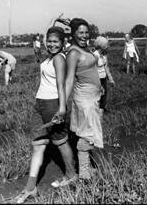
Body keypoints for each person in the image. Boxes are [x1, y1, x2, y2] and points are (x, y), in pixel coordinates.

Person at [13, 26, 77, 204]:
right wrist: (56, 21)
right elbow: (50, 29)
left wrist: (62, 108)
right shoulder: (49, 58)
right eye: (49, 41)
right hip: (39, 104)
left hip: (52, 104)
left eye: (56, 41)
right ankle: (30, 187)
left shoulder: (58, 59)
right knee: (38, 145)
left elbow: (61, 85)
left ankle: (71, 175)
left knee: (60, 141)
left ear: (63, 43)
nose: (51, 44)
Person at [63, 17, 104, 180]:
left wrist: (98, 86)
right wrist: (62, 105)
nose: (84, 35)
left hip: (94, 97)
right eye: (80, 32)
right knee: (87, 136)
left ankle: (86, 170)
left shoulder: (86, 49)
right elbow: (69, 79)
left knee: (89, 133)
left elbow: (91, 70)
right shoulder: (73, 53)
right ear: (73, 34)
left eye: (86, 32)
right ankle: (85, 173)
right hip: (84, 99)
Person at [93, 36, 115, 111]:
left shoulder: (104, 55)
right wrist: (98, 84)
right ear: (101, 45)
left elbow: (106, 68)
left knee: (104, 95)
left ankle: (102, 109)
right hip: (97, 79)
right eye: (106, 45)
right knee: (98, 95)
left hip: (103, 78)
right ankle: (96, 111)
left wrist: (111, 79)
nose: (107, 47)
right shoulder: (95, 55)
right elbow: (93, 70)